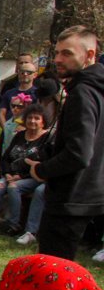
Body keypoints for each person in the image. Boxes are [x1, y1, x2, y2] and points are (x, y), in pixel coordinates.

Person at [32, 26, 104, 259]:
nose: (58, 60)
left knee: (54, 271)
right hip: (89, 195)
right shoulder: (93, 90)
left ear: (90, 55)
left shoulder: (84, 93)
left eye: (67, 53)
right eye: (57, 53)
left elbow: (79, 153)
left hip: (71, 198)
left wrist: (41, 170)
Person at [0, 104, 49, 237]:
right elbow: (5, 158)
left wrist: (20, 176)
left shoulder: (46, 139)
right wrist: (7, 173)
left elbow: (43, 163)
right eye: (30, 118)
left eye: (37, 118)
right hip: (11, 174)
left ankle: (14, 224)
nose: (32, 121)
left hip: (31, 177)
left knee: (13, 187)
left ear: (43, 121)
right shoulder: (20, 135)